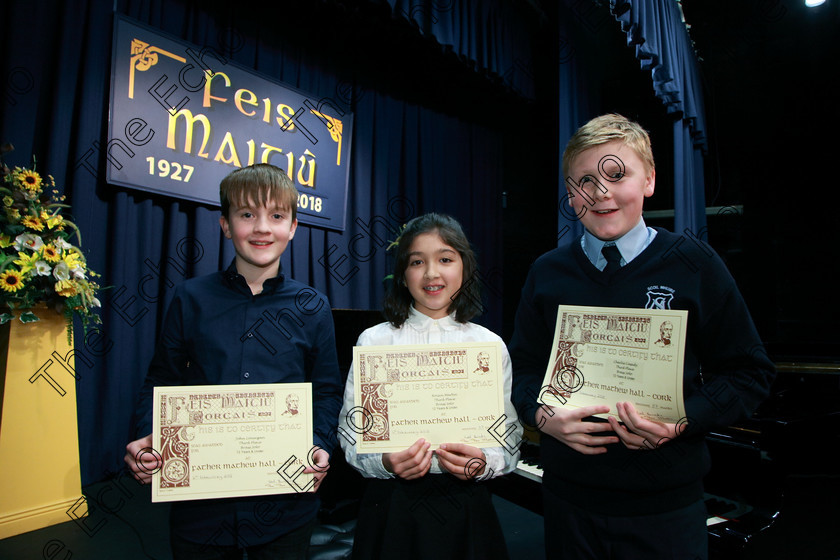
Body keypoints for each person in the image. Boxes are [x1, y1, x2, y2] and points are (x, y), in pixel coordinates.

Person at [509, 114, 775, 560]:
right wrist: (541, 413)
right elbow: (520, 371)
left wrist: (683, 420)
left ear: (649, 180)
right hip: (567, 506)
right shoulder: (546, 272)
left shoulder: (695, 264)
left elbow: (751, 372)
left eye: (617, 174)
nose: (600, 193)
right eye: (583, 182)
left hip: (666, 510)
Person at [124, 163, 343, 560]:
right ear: (226, 225)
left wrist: (319, 442)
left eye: (276, 216)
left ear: (293, 227)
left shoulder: (313, 306)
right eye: (247, 215)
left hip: (285, 507)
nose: (262, 228)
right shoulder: (190, 298)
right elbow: (161, 381)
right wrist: (147, 438)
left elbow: (326, 391)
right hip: (201, 508)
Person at [338, 213, 522, 559]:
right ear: (403, 275)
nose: (432, 273)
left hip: (466, 509)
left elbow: (509, 440)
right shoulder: (375, 342)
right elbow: (351, 434)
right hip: (391, 508)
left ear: (464, 268)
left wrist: (483, 461)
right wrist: (386, 462)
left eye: (445, 259)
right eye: (417, 262)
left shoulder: (489, 346)